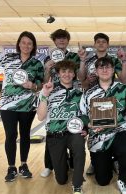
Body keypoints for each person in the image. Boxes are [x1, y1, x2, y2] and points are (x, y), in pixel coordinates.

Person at [0, 23, 44, 182]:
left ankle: (23, 165)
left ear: (33, 46)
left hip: (28, 105)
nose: (26, 45)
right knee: (10, 135)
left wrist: (33, 85)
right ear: (19, 44)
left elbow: (41, 84)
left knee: (24, 135)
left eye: (30, 43)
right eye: (23, 42)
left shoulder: (37, 64)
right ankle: (11, 167)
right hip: (7, 105)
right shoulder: (8, 57)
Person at [79, 57, 126, 194]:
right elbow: (82, 114)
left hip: (119, 130)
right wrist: (89, 125)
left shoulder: (123, 89)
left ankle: (124, 181)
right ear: (96, 71)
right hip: (98, 135)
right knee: (103, 181)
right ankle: (110, 161)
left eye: (108, 67)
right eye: (101, 67)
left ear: (113, 71)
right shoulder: (88, 93)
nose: (104, 70)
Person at [77, 33, 126, 175]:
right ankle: (96, 162)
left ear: (107, 44)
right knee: (97, 134)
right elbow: (82, 81)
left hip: (111, 97)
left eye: (103, 42)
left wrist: (124, 61)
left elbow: (124, 80)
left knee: (119, 134)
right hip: (93, 98)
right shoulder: (88, 60)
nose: (100, 44)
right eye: (98, 42)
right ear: (94, 44)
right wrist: (83, 66)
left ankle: (116, 160)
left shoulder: (113, 60)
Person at [37, 60, 87, 194]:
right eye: (63, 71)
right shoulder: (48, 90)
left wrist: (85, 128)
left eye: (70, 71)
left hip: (73, 134)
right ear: (58, 74)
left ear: (74, 74)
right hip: (55, 136)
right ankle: (64, 163)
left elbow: (84, 115)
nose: (67, 74)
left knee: (78, 146)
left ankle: (77, 185)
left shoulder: (79, 93)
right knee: (61, 180)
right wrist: (45, 94)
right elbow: (40, 117)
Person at [40, 29, 82, 178]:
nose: (61, 41)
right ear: (54, 41)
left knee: (73, 128)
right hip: (54, 94)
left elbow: (80, 76)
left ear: (68, 40)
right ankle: (49, 165)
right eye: (58, 39)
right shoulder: (48, 58)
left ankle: (71, 163)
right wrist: (47, 69)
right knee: (53, 130)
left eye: (64, 38)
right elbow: (45, 80)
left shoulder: (74, 57)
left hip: (72, 93)